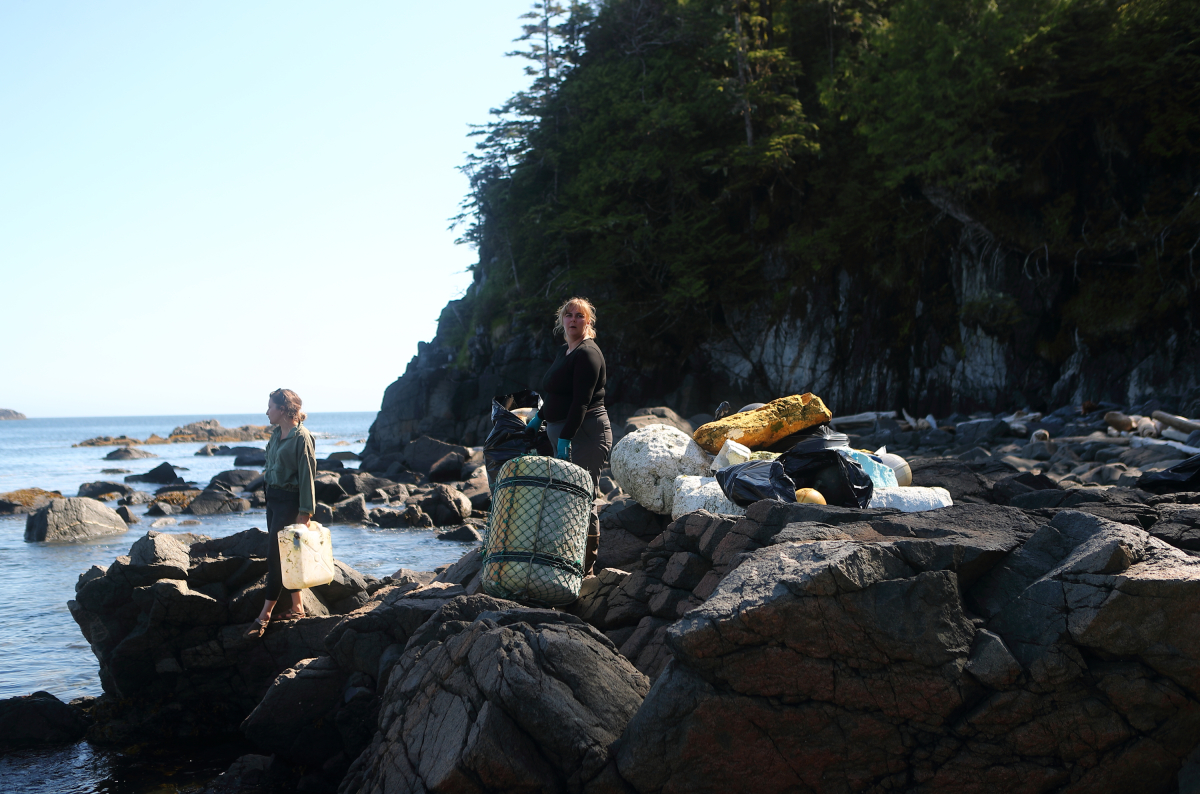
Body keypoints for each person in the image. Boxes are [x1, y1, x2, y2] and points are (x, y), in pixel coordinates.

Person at [526, 297, 611, 573]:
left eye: (579, 316)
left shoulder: (588, 353)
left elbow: (580, 402)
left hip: (585, 432)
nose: (573, 319)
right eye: (569, 315)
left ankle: (586, 568)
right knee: (564, 498)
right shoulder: (565, 351)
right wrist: (540, 416)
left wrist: (565, 438)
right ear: (562, 320)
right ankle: (565, 560)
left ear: (588, 322)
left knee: (584, 497)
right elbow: (556, 393)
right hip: (562, 431)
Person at [246, 388, 317, 638]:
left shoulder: (302, 438)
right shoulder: (276, 434)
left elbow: (308, 475)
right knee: (288, 555)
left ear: (284, 409)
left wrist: (306, 512)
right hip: (273, 498)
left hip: (290, 502)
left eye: (270, 407)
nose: (267, 412)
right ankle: (297, 607)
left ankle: (264, 615)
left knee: (274, 557)